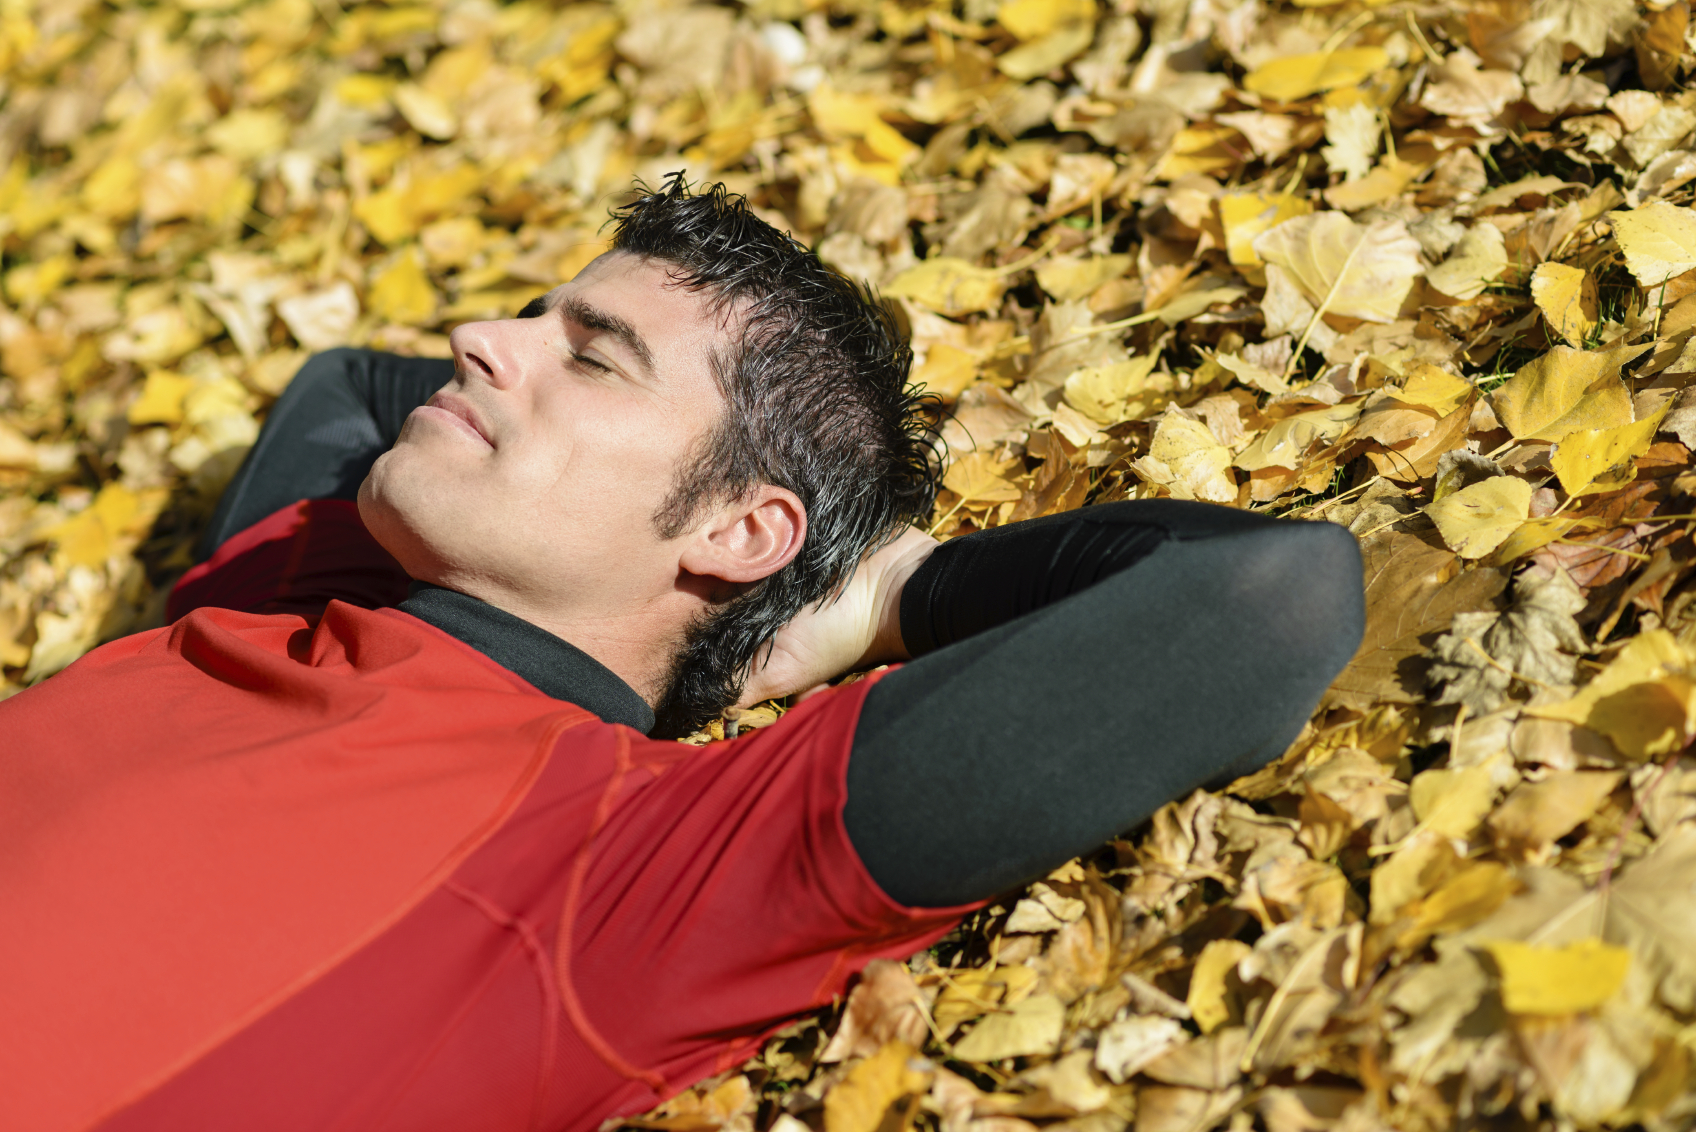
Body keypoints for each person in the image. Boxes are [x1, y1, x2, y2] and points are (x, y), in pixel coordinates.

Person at [0, 178, 1364, 1132]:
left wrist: (889, 595)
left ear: (736, 529)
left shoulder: (612, 876)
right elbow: (345, 387)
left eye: (592, 360)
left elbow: (1259, 601)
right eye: (531, 317)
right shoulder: (298, 577)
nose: (478, 343)